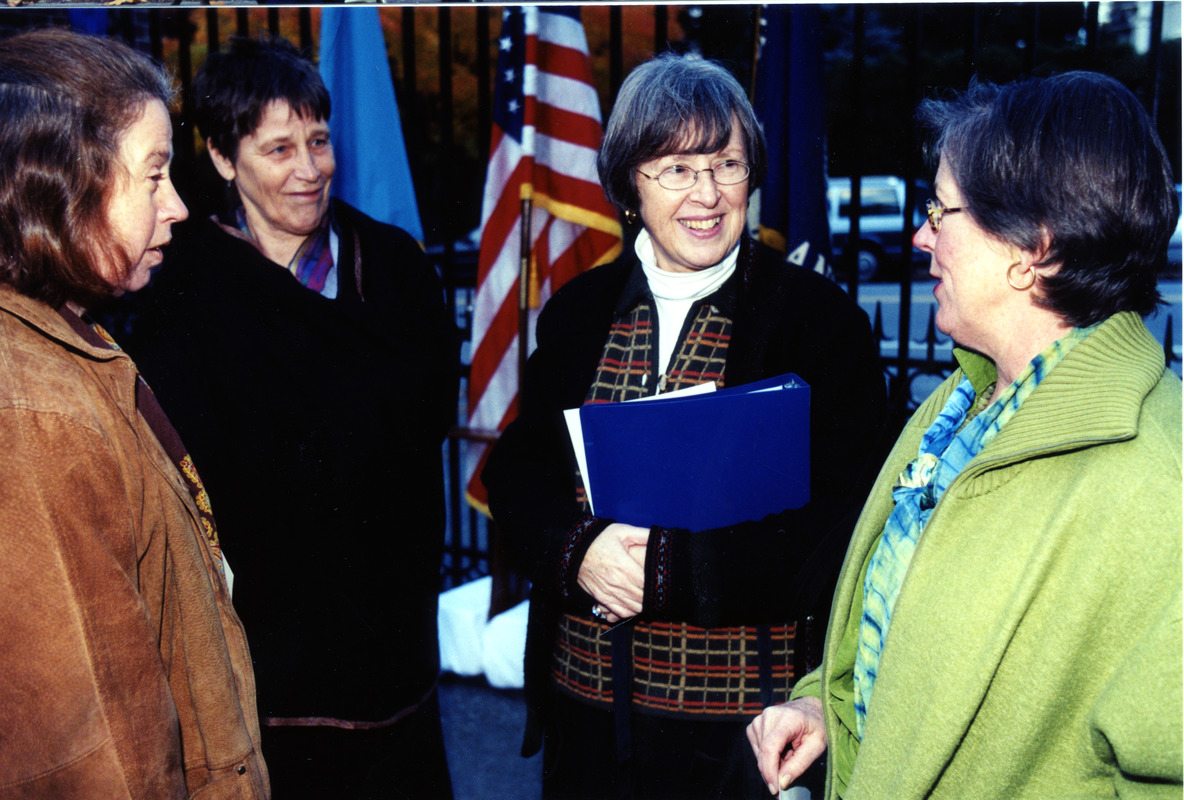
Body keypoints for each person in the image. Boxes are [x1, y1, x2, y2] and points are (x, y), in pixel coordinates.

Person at [747, 71, 1182, 800]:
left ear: (1033, 248)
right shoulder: (962, 401)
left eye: (942, 211)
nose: (920, 236)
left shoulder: (1159, 485)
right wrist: (828, 700)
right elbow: (906, 630)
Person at [482, 52, 886, 800]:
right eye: (676, 168)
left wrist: (677, 571)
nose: (707, 194)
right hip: (588, 722)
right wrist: (579, 552)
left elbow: (847, 521)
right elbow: (517, 469)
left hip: (743, 737)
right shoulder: (578, 313)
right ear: (630, 183)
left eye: (727, 164)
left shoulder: (818, 322)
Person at [108, 36, 458, 799]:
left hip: (389, 629)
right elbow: (185, 461)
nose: (309, 168)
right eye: (278, 148)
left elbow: (429, 413)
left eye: (320, 141)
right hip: (267, 644)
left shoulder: (393, 264)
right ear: (224, 159)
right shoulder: (183, 280)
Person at [0, 28, 269, 798]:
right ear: (58, 183)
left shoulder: (70, 341)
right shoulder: (33, 413)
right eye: (153, 176)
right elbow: (102, 755)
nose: (179, 207)